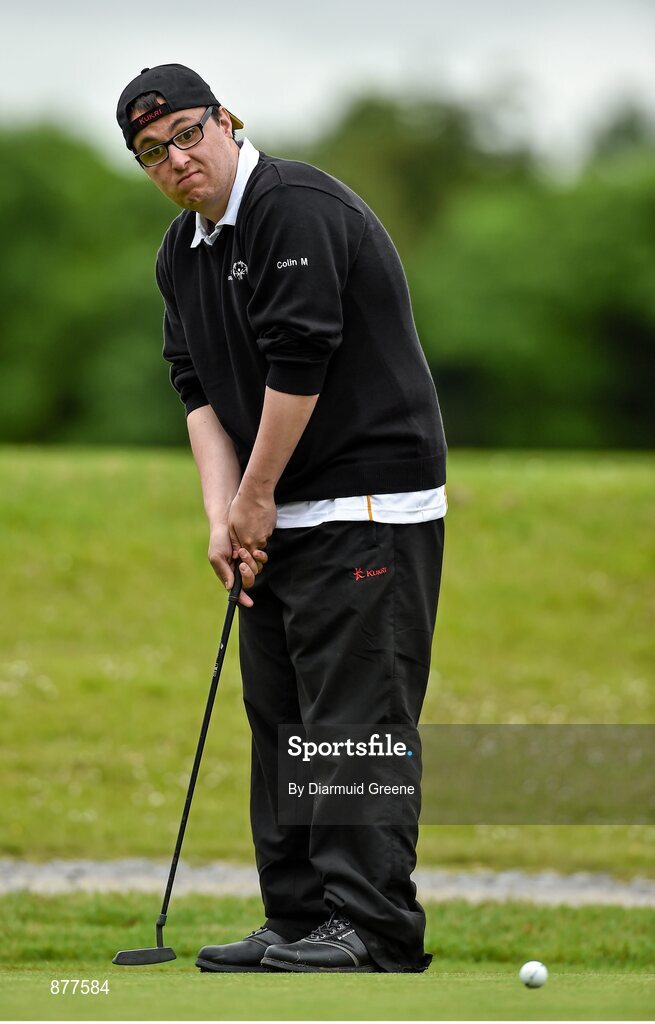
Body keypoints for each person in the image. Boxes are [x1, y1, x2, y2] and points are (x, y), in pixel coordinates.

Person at [116, 63, 448, 974]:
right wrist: (223, 516)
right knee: (286, 723)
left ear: (226, 121)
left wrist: (256, 496)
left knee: (353, 722)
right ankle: (301, 918)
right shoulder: (178, 254)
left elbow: (299, 359)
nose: (175, 160)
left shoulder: (292, 207)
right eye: (152, 152)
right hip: (282, 512)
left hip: (367, 501)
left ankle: (373, 927)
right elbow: (198, 394)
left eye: (187, 134)